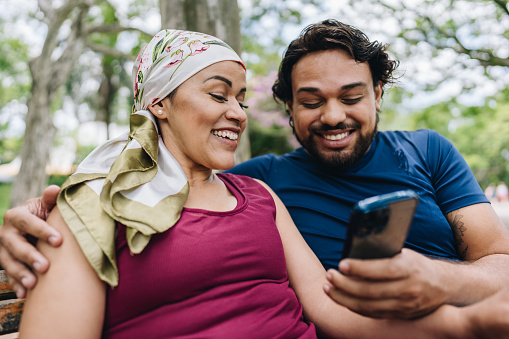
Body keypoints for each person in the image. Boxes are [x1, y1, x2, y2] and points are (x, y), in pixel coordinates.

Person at [3, 21, 509, 338]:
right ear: (158, 102)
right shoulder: (95, 205)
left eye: (241, 98)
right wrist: (35, 215)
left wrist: (463, 316)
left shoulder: (258, 195)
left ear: (378, 93)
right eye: (219, 93)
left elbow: (327, 308)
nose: (237, 113)